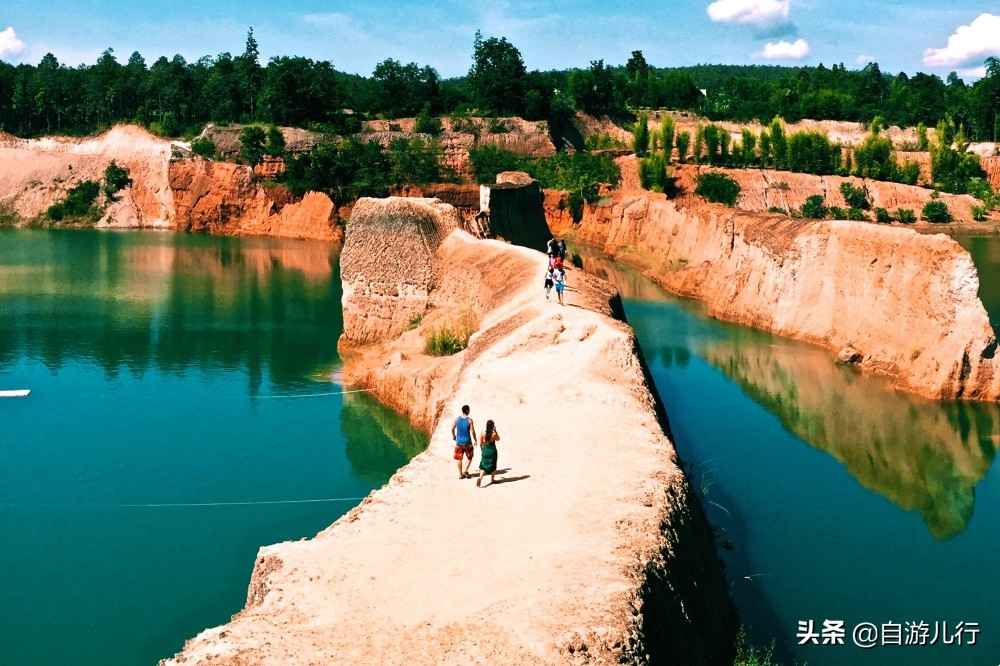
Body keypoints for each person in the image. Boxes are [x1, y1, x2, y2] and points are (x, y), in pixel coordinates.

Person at [452, 405, 477, 479]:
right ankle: (466, 470)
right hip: (467, 442)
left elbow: (452, 429)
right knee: (470, 456)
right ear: (467, 411)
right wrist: (475, 440)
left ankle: (460, 474)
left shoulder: (457, 419)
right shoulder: (469, 420)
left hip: (459, 442)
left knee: (459, 458)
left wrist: (454, 436)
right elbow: (472, 432)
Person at [477, 420, 500, 487]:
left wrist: (482, 450)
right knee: (493, 464)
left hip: (485, 449)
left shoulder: (482, 433)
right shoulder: (494, 434)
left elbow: (480, 443)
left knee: (484, 464)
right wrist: (495, 431)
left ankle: (480, 478)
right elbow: (498, 439)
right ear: (493, 426)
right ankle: (492, 480)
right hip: (492, 450)